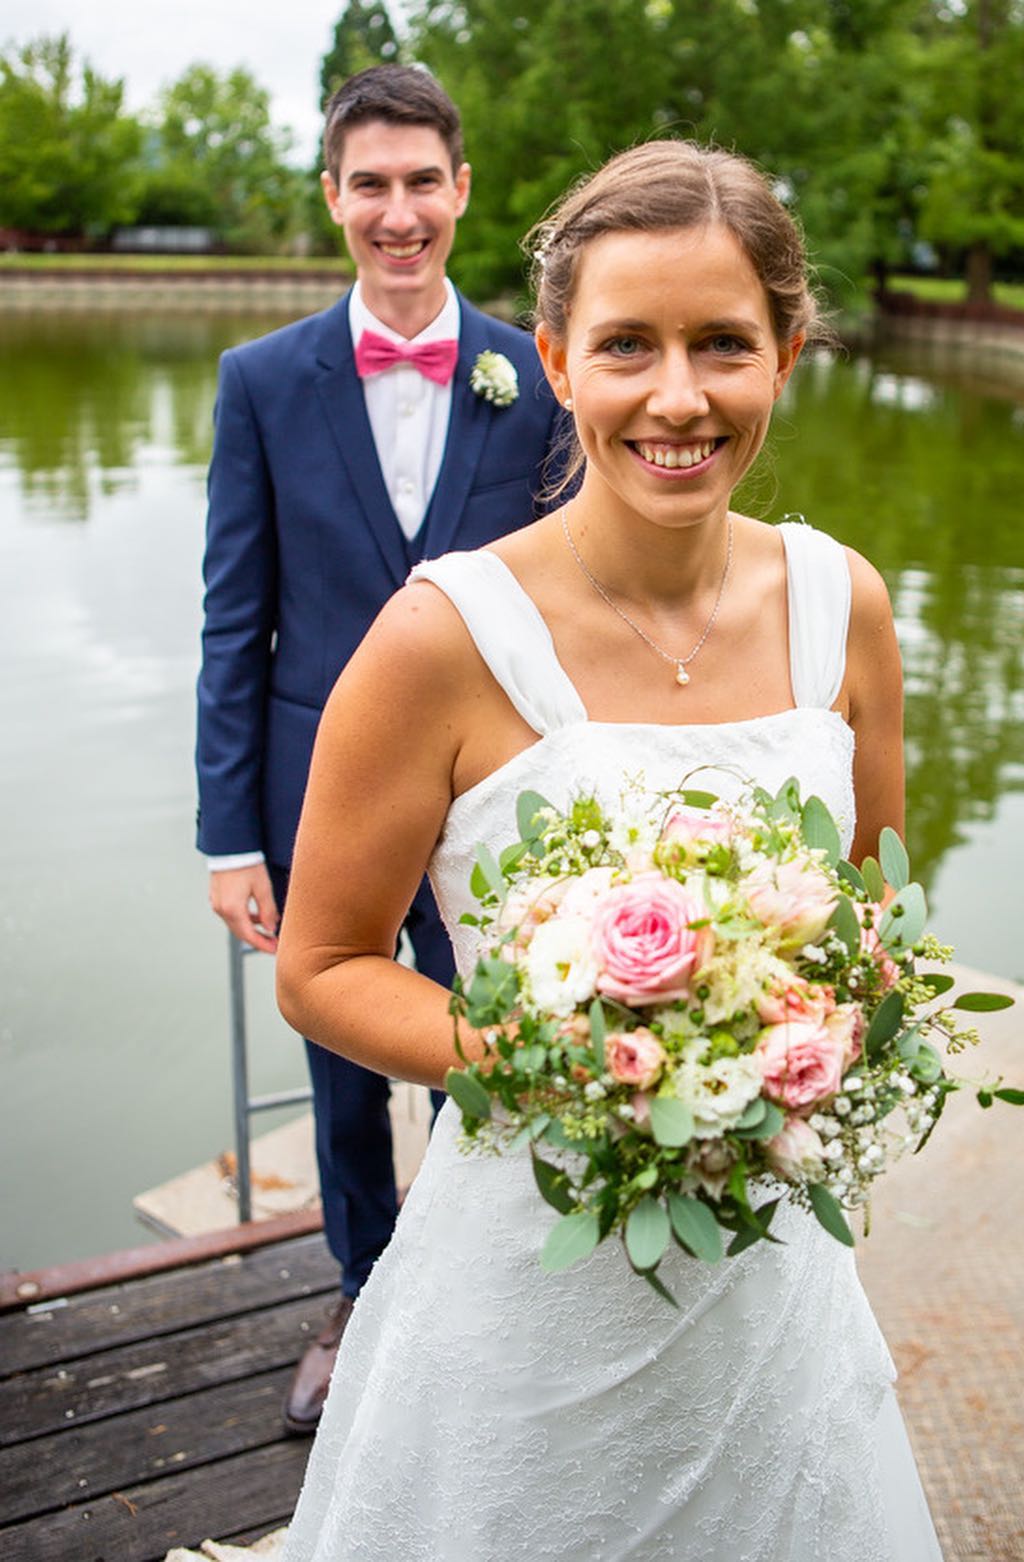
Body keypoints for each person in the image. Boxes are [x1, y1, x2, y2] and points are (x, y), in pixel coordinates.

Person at [274, 141, 942, 1560]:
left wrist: (795, 1046)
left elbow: (875, 925)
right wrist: (558, 1057)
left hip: (771, 1280)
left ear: (788, 354)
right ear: (558, 361)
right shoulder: (438, 638)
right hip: (529, 1279)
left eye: (724, 345)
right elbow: (323, 963)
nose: (679, 397)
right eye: (627, 345)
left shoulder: (846, 608)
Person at [194, 64, 563, 1435]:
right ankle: (358, 1292)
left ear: (461, 191)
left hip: (500, 796)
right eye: (370, 185)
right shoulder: (260, 380)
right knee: (341, 1067)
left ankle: (506, 1285)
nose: (397, 212)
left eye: (422, 182)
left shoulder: (539, 373)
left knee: (509, 1042)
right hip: (312, 797)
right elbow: (235, 617)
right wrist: (229, 833)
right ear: (333, 197)